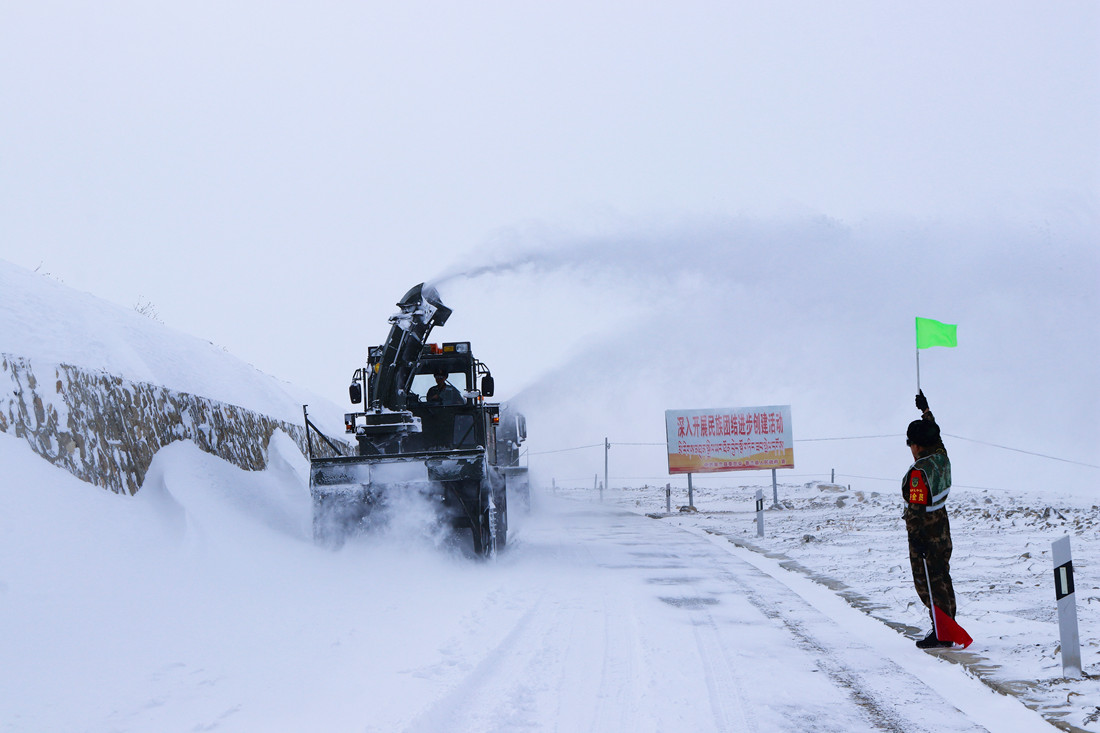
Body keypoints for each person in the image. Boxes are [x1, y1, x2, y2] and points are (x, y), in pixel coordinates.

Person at [903, 390, 957, 649]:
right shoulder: (941, 458)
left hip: (926, 534)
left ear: (916, 445)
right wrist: (925, 411)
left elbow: (915, 512)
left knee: (928, 584)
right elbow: (937, 437)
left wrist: (917, 541)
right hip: (942, 528)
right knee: (943, 577)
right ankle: (948, 626)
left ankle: (942, 632)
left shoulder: (919, 473)